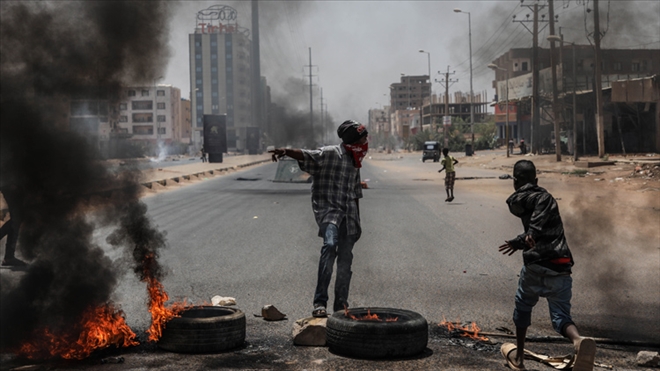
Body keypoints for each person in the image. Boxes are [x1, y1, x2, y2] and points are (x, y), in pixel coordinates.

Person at [498, 160, 595, 371]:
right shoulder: (542, 198)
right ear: (536, 180)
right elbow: (538, 220)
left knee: (523, 306)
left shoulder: (526, 200)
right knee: (561, 316)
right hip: (559, 266)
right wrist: (526, 236)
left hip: (535, 264)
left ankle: (520, 359)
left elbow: (535, 223)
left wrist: (523, 238)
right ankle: (578, 341)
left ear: (515, 182)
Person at [269, 120, 367, 318]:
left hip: (349, 217)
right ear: (353, 140)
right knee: (330, 246)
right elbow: (306, 154)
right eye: (363, 138)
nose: (366, 142)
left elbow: (356, 193)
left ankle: (341, 305)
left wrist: (358, 222)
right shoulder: (330, 153)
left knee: (345, 260)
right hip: (329, 212)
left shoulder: (355, 161)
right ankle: (319, 302)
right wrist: (285, 151)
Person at [0, 185, 27, 266]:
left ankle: (9, 257)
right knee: (16, 218)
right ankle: (9, 257)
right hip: (11, 183)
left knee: (16, 218)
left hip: (12, 183)